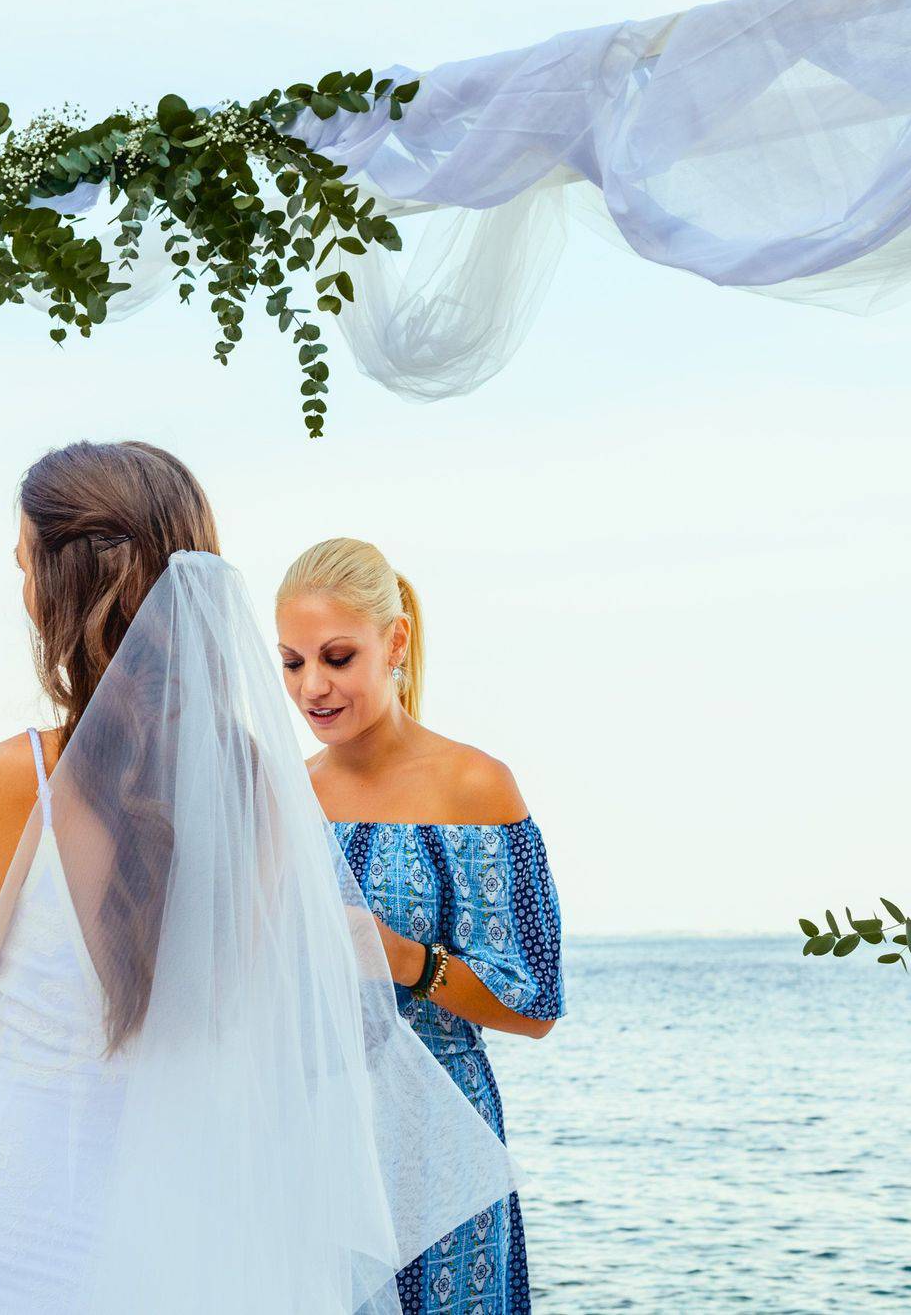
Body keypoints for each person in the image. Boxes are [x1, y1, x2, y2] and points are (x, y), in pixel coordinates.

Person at [0, 441, 517, 1313]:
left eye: (25, 567)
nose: (22, 591)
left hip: (14, 1226)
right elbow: (140, 1056)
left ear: (64, 590)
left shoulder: (25, 779)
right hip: (181, 1237)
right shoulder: (257, 793)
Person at [276, 537, 565, 1315]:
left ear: (394, 642)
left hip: (443, 1147)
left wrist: (406, 960)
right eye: (292, 663)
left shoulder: (475, 787)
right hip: (315, 1145)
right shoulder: (284, 799)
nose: (311, 686)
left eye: (337, 657)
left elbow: (535, 1005)